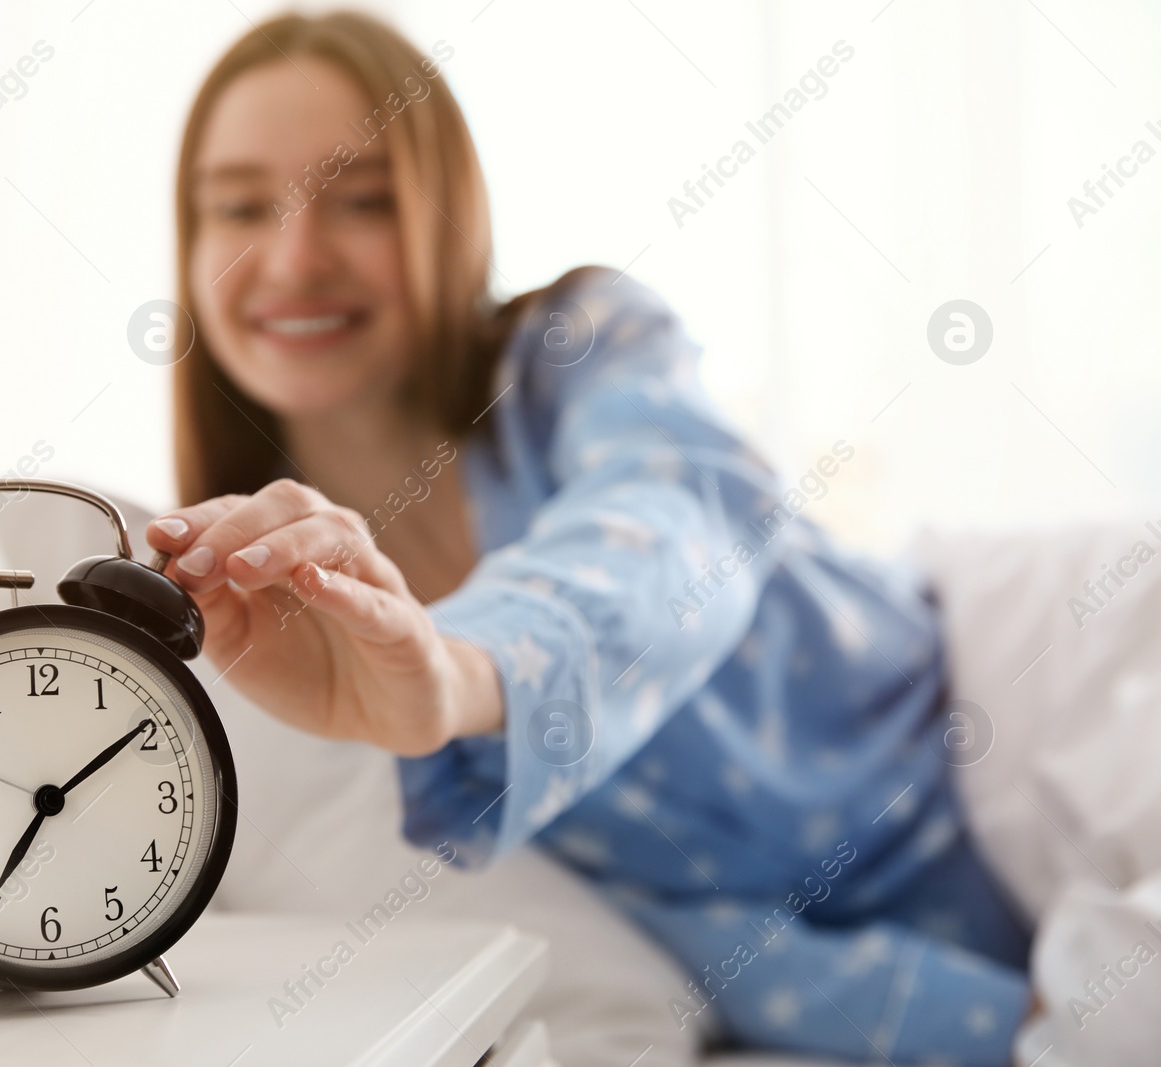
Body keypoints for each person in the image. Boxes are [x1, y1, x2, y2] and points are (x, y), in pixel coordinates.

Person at [143, 11, 1032, 1064]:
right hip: (902, 951)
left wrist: (461, 670)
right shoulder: (265, 606)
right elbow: (670, 919)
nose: (293, 257)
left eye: (364, 200)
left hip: (1000, 753)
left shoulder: (581, 350)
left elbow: (675, 531)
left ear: (450, 215)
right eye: (240, 204)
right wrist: (992, 1021)